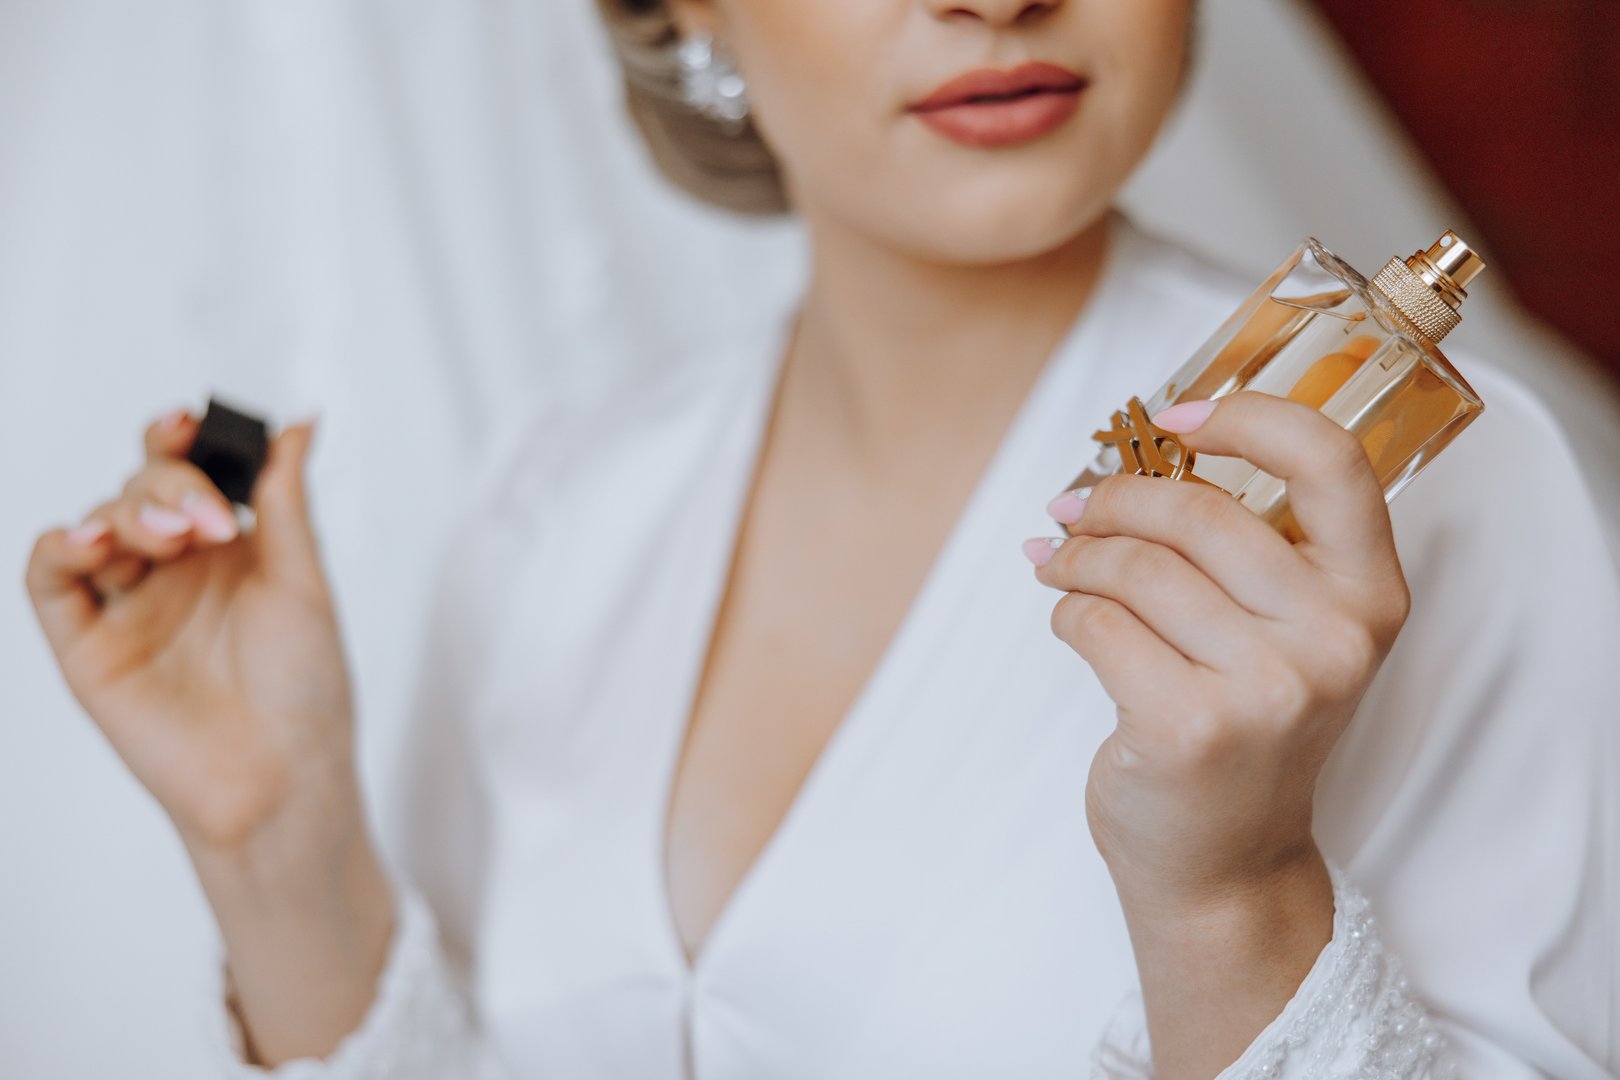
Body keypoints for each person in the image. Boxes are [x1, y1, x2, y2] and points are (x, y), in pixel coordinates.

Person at [22, 0, 1620, 1076]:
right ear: (682, 16)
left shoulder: (1437, 488)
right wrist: (278, 851)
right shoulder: (554, 518)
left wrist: (1234, 898)